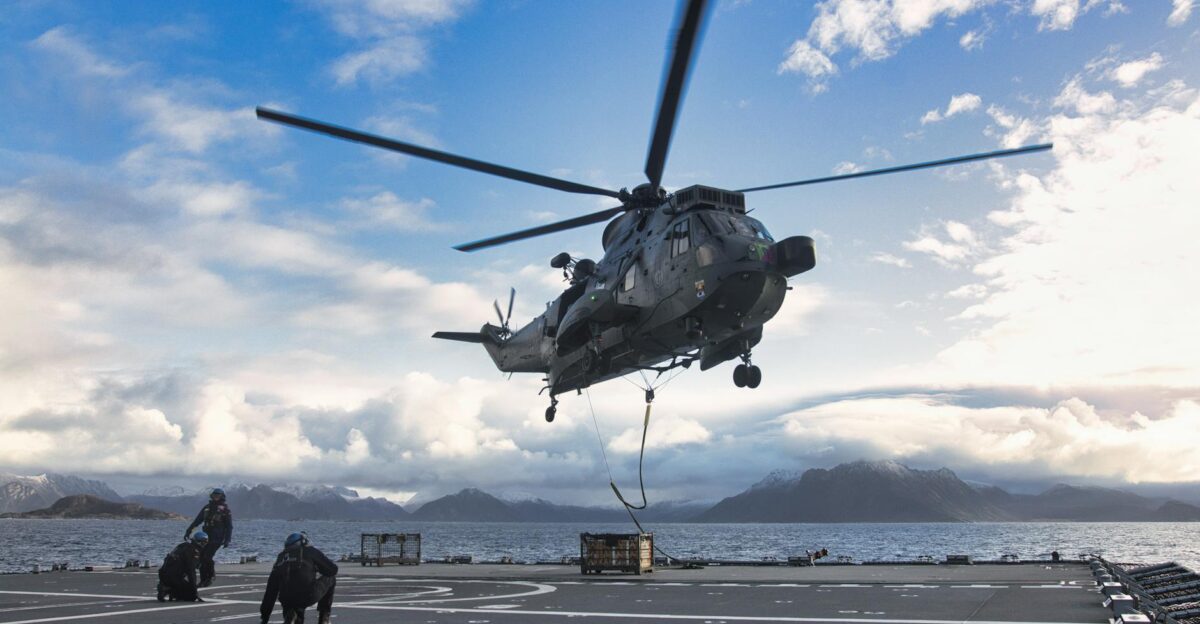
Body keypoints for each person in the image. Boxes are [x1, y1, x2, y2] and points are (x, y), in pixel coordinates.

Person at [260, 532, 338, 624]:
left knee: (295, 613)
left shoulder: (281, 557)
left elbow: (270, 591)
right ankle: (324, 618)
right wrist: (317, 568)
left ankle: (291, 615)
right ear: (303, 542)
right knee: (331, 578)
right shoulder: (310, 551)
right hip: (307, 595)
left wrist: (264, 618)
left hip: (286, 599)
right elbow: (332, 570)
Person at [185, 487, 233, 587]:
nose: (216, 497)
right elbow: (198, 520)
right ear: (212, 496)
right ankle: (204, 580)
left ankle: (210, 576)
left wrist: (227, 540)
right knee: (201, 558)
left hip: (217, 538)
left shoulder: (225, 510)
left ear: (222, 496)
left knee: (207, 557)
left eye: (218, 495)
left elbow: (229, 526)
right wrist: (188, 531)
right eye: (214, 495)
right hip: (205, 538)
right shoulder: (207, 508)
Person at [157, 531, 207, 602]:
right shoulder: (194, 552)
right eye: (204, 542)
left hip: (163, 574)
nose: (205, 544)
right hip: (174, 576)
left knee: (182, 584)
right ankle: (168, 589)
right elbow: (191, 571)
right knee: (191, 596)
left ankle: (167, 587)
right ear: (200, 542)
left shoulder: (182, 545)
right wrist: (194, 590)